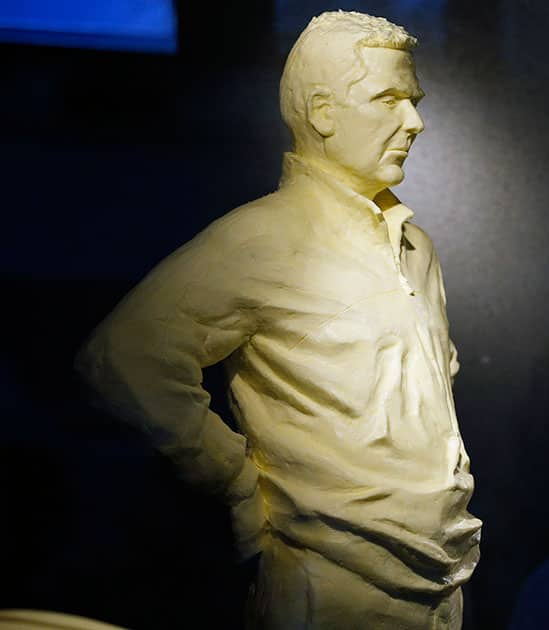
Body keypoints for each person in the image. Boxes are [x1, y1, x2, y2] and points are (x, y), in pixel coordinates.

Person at [76, 11, 480, 629]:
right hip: (331, 585)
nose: (415, 121)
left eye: (415, 100)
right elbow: (123, 360)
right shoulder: (259, 241)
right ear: (323, 111)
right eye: (390, 99)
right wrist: (238, 486)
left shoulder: (416, 249)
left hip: (443, 584)